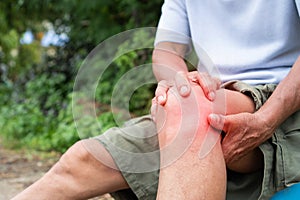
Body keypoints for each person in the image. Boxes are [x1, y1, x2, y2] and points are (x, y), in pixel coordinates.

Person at [12, 0, 300, 199]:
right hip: (207, 100)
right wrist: (181, 84)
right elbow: (167, 52)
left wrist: (264, 120)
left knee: (191, 109)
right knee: (82, 161)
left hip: (281, 101)